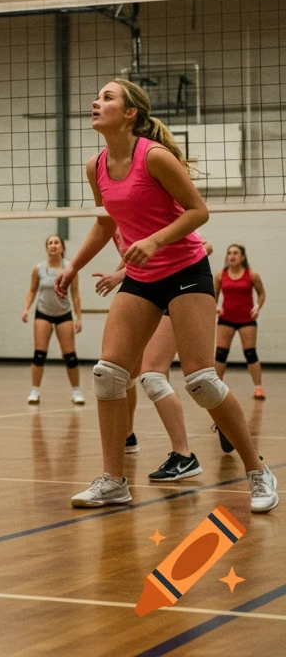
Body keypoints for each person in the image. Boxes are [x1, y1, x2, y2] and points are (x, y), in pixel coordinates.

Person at [56, 79, 276, 512]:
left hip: (185, 272)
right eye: (97, 97)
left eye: (107, 98)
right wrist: (73, 266)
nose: (95, 102)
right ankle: (114, 481)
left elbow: (199, 210)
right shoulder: (95, 166)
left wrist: (155, 242)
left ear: (130, 113)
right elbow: (105, 224)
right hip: (141, 277)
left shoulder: (153, 156)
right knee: (108, 373)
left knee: (200, 380)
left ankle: (257, 471)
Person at [92, 239, 215, 482]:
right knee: (122, 370)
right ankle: (127, 436)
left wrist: (120, 276)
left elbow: (205, 246)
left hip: (179, 288)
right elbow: (133, 260)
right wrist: (120, 278)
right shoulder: (117, 220)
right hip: (149, 292)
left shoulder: (151, 208)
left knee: (156, 376)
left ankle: (185, 454)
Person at [21, 235, 84, 406]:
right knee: (39, 354)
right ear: (47, 247)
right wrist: (26, 308)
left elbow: (75, 294)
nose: (53, 245)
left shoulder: (70, 268)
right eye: (50, 243)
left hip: (64, 313)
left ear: (62, 248)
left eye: (56, 242)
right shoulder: (38, 269)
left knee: (70, 356)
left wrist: (79, 317)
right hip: (43, 312)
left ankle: (76, 391)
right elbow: (32, 290)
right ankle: (34, 391)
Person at [214, 244, 267, 399]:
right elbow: (213, 295)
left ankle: (258, 388)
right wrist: (216, 307)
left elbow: (262, 294)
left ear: (242, 257)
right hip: (226, 319)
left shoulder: (252, 275)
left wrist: (257, 307)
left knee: (250, 353)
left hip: (246, 319)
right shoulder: (220, 275)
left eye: (236, 253)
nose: (232, 256)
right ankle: (217, 386)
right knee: (220, 354)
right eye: (229, 253)